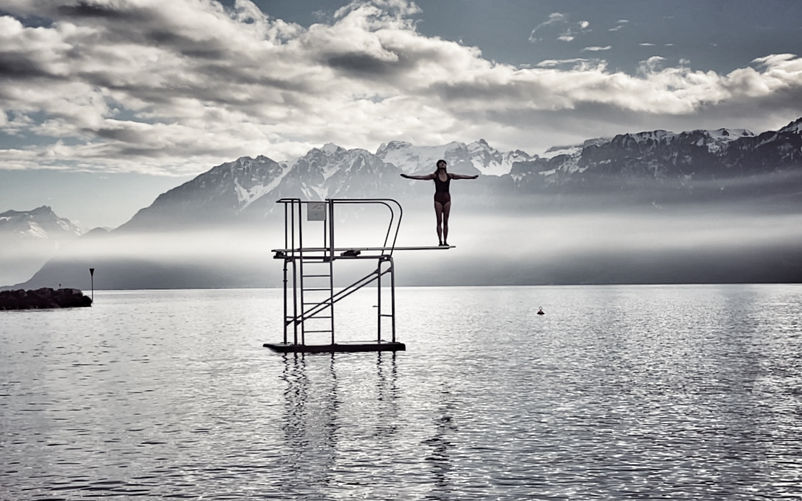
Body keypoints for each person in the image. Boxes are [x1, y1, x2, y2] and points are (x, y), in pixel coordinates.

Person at [401, 159, 478, 246]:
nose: (443, 164)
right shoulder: (434, 176)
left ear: (446, 165)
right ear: (438, 165)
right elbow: (422, 177)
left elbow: (461, 176)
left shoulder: (450, 175)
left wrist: (471, 177)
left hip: (447, 199)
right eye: (441, 163)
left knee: (446, 221)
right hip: (438, 199)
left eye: (444, 163)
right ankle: (440, 242)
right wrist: (408, 177)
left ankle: (445, 241)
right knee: (439, 221)